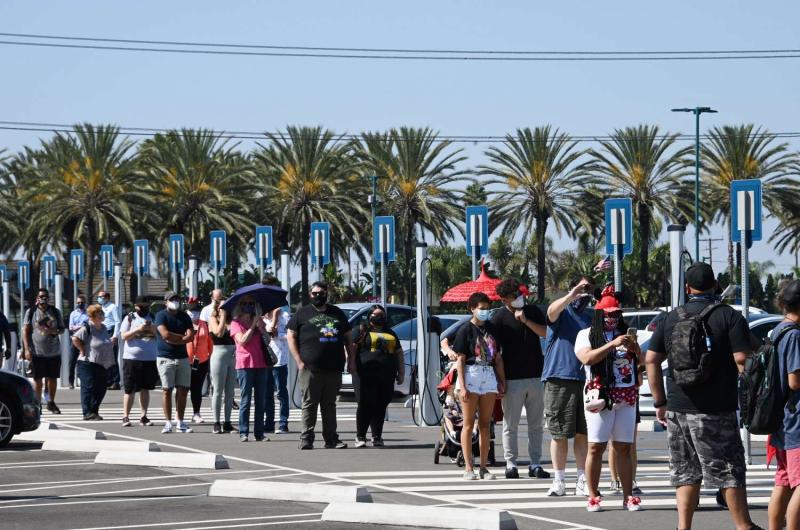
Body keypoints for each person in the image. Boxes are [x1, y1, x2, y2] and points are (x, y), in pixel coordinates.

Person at [646, 262, 762, 530]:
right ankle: (744, 526)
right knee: (729, 468)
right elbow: (742, 359)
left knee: (686, 471)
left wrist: (660, 402)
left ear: (687, 288)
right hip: (716, 409)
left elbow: (651, 360)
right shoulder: (728, 316)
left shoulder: (670, 318)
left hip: (678, 407)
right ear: (716, 285)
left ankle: (683, 526)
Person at [574, 286, 643, 512]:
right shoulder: (585, 335)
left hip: (626, 395)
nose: (611, 318)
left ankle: (628, 496)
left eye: (615, 314)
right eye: (607, 315)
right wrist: (612, 344)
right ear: (598, 314)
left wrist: (635, 349)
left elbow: (640, 363)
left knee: (624, 447)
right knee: (596, 447)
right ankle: (593, 496)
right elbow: (587, 358)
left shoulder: (625, 334)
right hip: (599, 394)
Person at [491, 278, 550, 480]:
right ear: (504, 300)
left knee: (536, 424)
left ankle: (535, 463)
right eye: (512, 296)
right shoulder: (499, 317)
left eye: (518, 294)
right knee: (511, 424)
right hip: (512, 378)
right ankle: (511, 464)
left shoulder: (532, 311)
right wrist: (500, 379)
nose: (517, 298)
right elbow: (494, 350)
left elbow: (545, 333)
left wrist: (525, 320)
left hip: (536, 375)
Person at [543, 278, 593, 497]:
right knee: (559, 433)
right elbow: (550, 312)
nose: (583, 293)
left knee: (583, 433)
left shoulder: (591, 317)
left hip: (586, 380)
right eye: (581, 288)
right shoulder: (562, 312)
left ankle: (582, 479)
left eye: (587, 289)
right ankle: (559, 480)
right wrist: (570, 296)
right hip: (559, 378)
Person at [287, 281, 353, 450]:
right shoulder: (302, 313)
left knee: (329, 405)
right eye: (314, 293)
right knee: (310, 404)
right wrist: (298, 360)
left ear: (326, 294)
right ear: (310, 295)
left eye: (321, 293)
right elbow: (290, 335)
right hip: (310, 368)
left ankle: (331, 439)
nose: (318, 296)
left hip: (334, 367)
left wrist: (351, 360)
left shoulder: (337, 313)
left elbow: (348, 338)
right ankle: (306, 439)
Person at [452, 292, 505, 480]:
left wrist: (502, 381)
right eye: (481, 308)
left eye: (487, 308)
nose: (485, 312)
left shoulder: (492, 329)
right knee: (468, 423)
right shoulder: (465, 330)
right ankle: (468, 467)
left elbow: (497, 358)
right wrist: (463, 386)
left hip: (488, 374)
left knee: (485, 423)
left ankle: (483, 467)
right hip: (471, 374)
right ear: (472, 309)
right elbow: (460, 359)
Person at [768, 280, 800, 530]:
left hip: (780, 417)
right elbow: (794, 380)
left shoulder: (778, 330)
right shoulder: (795, 335)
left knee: (784, 481)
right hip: (796, 418)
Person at [350, 304, 404, 448]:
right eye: (377, 315)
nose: (380, 318)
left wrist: (401, 373)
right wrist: (351, 364)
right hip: (364, 374)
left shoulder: (391, 333)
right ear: (369, 316)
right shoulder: (361, 330)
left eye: (383, 315)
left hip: (386, 375)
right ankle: (360, 436)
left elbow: (399, 353)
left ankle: (377, 436)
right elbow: (352, 348)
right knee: (364, 404)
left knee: (381, 404)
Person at [229, 294, 270, 442]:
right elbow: (242, 341)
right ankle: (244, 432)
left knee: (261, 400)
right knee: (245, 399)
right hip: (245, 364)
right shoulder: (235, 323)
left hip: (261, 363)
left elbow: (268, 340)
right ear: (239, 306)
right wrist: (253, 326)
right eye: (245, 303)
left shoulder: (259, 321)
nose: (248, 306)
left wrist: (262, 328)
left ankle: (259, 433)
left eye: (251, 303)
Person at [155, 291, 195, 434]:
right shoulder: (161, 315)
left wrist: (176, 339)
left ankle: (180, 421)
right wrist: (182, 338)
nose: (175, 301)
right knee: (167, 390)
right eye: (172, 299)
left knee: (183, 390)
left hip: (183, 357)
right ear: (166, 302)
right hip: (166, 357)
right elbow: (165, 334)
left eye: (177, 299)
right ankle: (168, 422)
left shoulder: (184, 316)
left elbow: (191, 336)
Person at [22, 288, 65, 414]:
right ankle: (37, 404)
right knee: (38, 379)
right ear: (37, 298)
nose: (43, 298)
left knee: (52, 379)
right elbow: (25, 331)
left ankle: (51, 402)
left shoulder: (55, 312)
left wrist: (54, 331)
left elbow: (62, 329)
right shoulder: (31, 312)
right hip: (37, 352)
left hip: (54, 351)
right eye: (41, 296)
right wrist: (26, 349)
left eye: (45, 296)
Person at [118, 296, 158, 427]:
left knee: (145, 388)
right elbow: (124, 336)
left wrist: (152, 328)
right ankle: (125, 416)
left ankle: (143, 416)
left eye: (145, 306)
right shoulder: (130, 318)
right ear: (136, 306)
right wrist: (138, 329)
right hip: (131, 358)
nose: (143, 309)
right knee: (129, 389)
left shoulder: (153, 317)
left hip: (149, 358)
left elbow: (160, 335)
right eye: (140, 306)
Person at [72, 304, 115, 420]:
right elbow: (75, 338)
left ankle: (94, 411)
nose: (102, 315)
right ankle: (87, 412)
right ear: (93, 316)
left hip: (102, 363)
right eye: (99, 313)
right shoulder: (87, 327)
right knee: (88, 387)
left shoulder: (104, 328)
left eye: (102, 313)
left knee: (101, 388)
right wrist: (82, 349)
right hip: (87, 362)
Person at [208, 295, 237, 434]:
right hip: (219, 355)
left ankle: (227, 422)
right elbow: (219, 333)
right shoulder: (213, 319)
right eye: (223, 306)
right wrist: (223, 316)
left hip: (233, 356)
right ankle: (216, 422)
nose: (225, 309)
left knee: (230, 392)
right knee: (218, 390)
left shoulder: (234, 320)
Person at [265, 303, 291, 434]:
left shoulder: (285, 316)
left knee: (281, 392)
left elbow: (290, 335)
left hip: (280, 359)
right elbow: (268, 333)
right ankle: (269, 423)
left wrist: (279, 334)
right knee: (267, 393)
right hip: (265, 360)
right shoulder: (261, 318)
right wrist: (273, 318)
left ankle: (283, 423)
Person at [187, 297, 212, 424]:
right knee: (183, 387)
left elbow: (210, 342)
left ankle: (196, 413)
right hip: (185, 360)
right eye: (191, 310)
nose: (194, 313)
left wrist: (210, 356)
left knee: (197, 388)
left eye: (196, 310)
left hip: (201, 360)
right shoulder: (184, 323)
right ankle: (178, 413)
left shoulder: (204, 324)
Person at [98, 291, 121, 390]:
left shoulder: (113, 307)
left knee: (113, 358)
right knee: (105, 358)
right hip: (103, 333)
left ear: (107, 298)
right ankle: (108, 381)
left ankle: (116, 382)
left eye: (101, 297)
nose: (99, 298)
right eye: (99, 297)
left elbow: (117, 321)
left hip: (111, 332)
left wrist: (115, 336)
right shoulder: (101, 308)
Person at [67, 294, 89, 389]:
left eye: (82, 302)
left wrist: (79, 327)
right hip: (75, 340)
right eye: (78, 302)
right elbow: (71, 327)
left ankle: (84, 381)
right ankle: (71, 382)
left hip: (85, 340)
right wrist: (81, 326)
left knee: (84, 362)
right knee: (72, 361)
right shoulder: (73, 314)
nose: (80, 304)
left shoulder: (88, 313)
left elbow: (88, 326)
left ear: (85, 303)